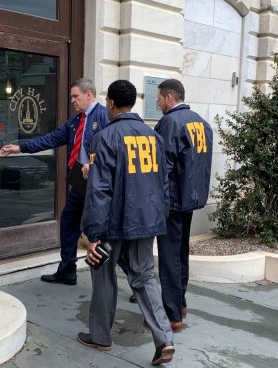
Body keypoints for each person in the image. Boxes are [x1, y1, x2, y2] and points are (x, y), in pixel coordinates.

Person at [78, 79, 175, 365]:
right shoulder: (153, 137)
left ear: (110, 103)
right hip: (146, 222)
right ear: (132, 103)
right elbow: (163, 183)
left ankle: (100, 337)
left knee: (103, 275)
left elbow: (100, 191)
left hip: (114, 223)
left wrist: (93, 235)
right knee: (145, 277)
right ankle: (165, 339)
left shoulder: (106, 137)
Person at [0, 78, 109, 285]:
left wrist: (95, 165)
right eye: (71, 97)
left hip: (98, 186)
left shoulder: (104, 117)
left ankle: (137, 281)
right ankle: (67, 270)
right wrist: (20, 148)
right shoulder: (76, 121)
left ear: (89, 95)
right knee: (68, 224)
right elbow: (50, 139)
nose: (72, 101)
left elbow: (114, 149)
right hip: (80, 185)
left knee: (105, 233)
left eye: (75, 96)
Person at [153, 78, 213, 332]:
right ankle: (181, 303)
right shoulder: (202, 122)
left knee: (169, 258)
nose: (156, 103)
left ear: (169, 97)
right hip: (191, 198)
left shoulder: (170, 123)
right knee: (180, 254)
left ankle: (172, 314)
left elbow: (162, 167)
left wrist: (158, 202)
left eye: (158, 98)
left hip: (172, 202)